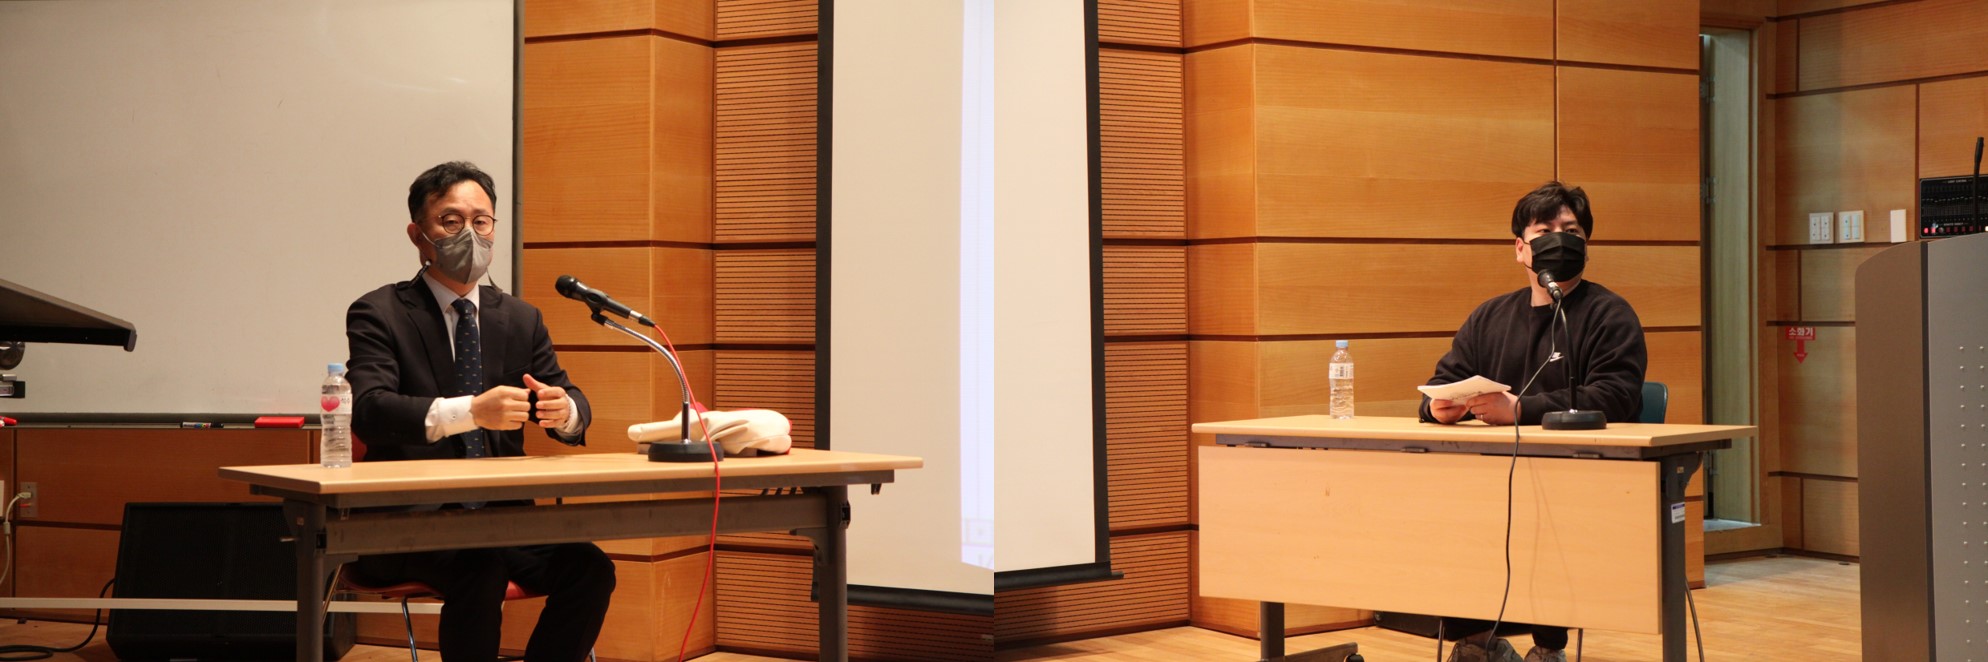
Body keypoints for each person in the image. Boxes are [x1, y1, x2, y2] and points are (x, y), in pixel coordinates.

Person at [344, 161, 614, 662]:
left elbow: (572, 400)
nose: (470, 234)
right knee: (481, 566)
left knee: (591, 568)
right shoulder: (380, 312)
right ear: (418, 235)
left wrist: (565, 412)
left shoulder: (519, 318)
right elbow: (370, 410)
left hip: (504, 520)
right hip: (409, 525)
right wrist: (471, 411)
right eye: (451, 221)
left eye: (481, 221)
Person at [1417, 182, 1647, 662]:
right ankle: (1477, 644)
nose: (1560, 239)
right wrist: (1437, 409)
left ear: (1586, 245)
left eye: (1572, 231)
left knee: (1543, 517)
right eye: (1545, 230)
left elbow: (1618, 396)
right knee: (1449, 512)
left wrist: (1521, 410)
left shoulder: (1609, 314)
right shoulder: (1490, 317)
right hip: (1486, 482)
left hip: (1577, 482)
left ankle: (1547, 649)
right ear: (1520, 248)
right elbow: (1442, 382)